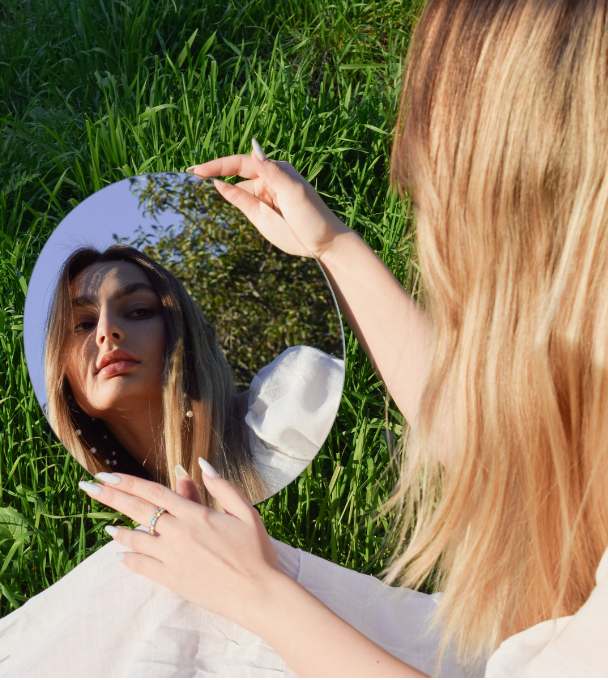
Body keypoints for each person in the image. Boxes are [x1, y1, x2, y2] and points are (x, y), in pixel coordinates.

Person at [2, 0, 607, 675]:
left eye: (437, 174)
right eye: (82, 322)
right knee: (151, 579)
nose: (409, 172)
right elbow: (512, 452)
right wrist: (332, 246)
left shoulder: (275, 418)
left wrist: (258, 596)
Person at [44, 244, 344, 504]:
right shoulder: (78, 509)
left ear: (182, 332)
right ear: (61, 372)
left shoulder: (292, 404)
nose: (107, 330)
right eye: (83, 324)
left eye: (138, 311)